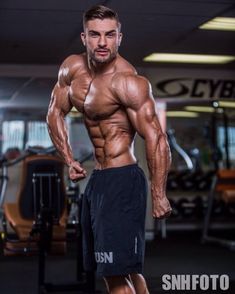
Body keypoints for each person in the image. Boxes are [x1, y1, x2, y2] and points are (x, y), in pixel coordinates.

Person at [47, 5, 172, 294]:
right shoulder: (71, 69)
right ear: (84, 37)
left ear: (119, 38)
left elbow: (156, 137)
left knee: (114, 277)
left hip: (123, 179)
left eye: (110, 35)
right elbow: (54, 112)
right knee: (122, 269)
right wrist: (68, 158)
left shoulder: (127, 81)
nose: (102, 42)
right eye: (95, 35)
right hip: (99, 181)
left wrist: (159, 194)